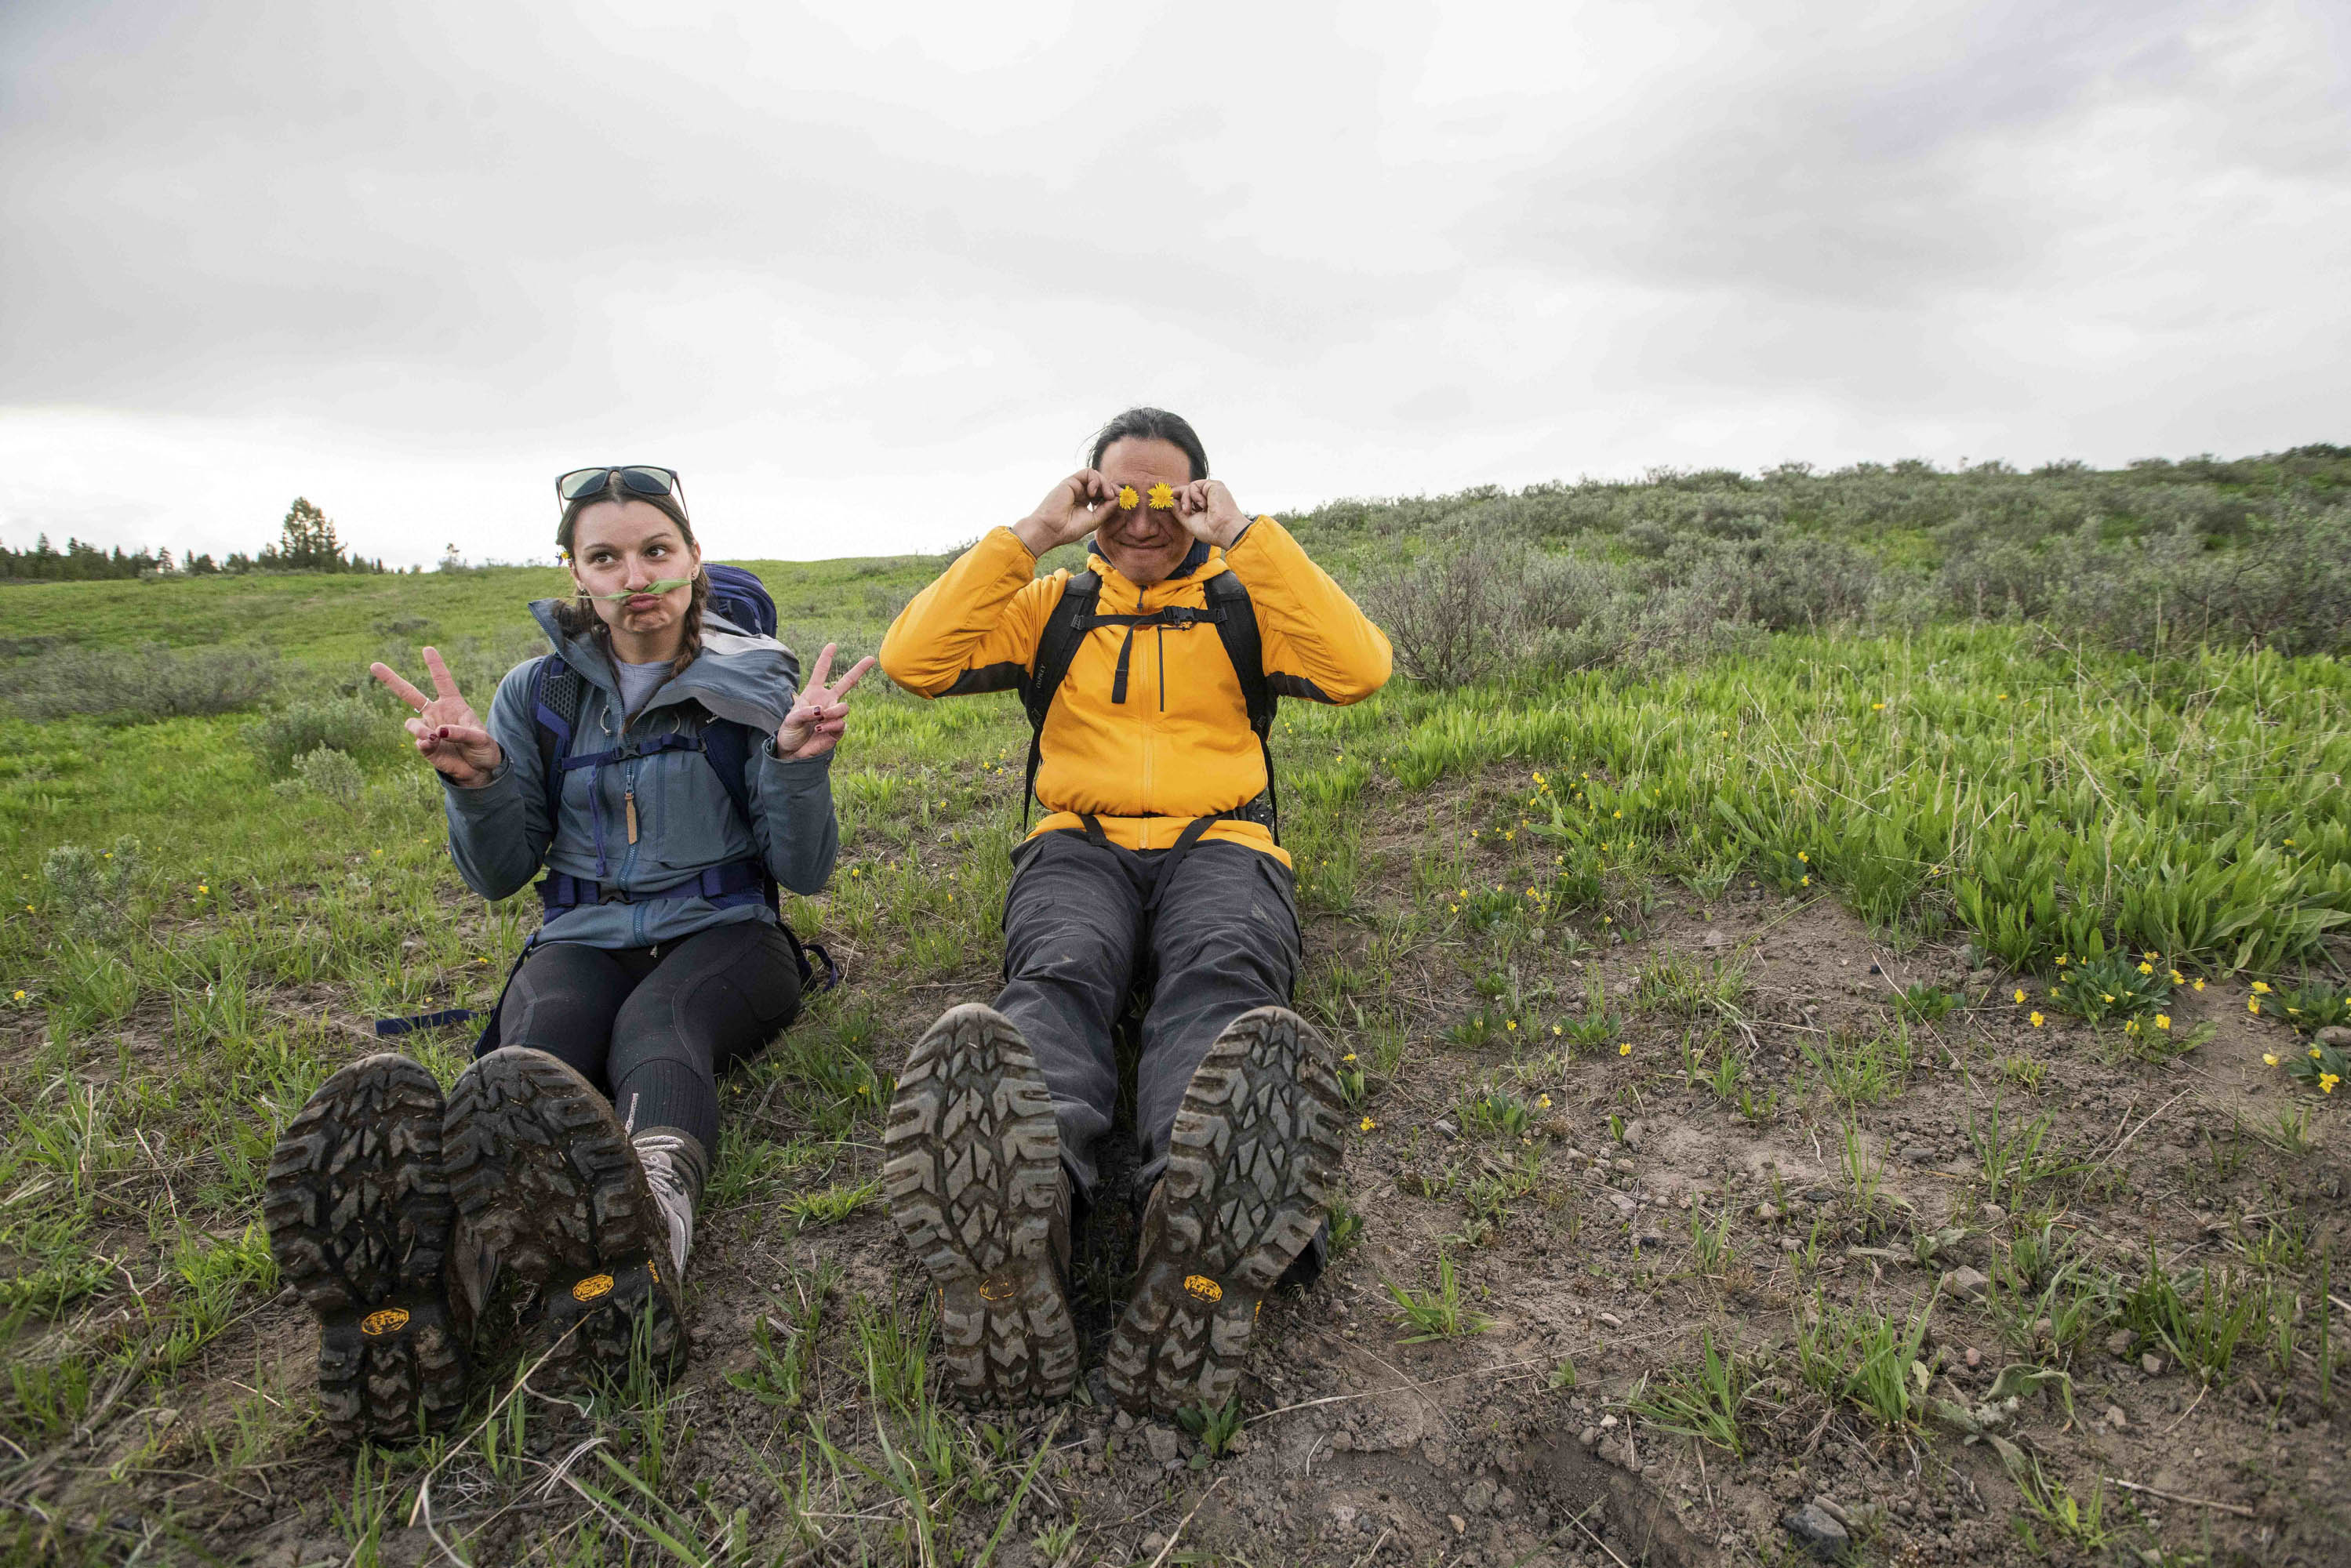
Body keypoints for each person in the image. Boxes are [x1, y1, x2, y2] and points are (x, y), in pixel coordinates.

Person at [263, 464, 872, 1443]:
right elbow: (501, 874)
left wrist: (801, 765)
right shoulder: (535, 693)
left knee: (658, 1028)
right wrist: (477, 783)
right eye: (606, 556)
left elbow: (803, 869)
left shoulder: (759, 682)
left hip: (728, 940)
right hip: (579, 935)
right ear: (575, 573)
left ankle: (651, 1236)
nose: (636, 574)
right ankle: (436, 1282)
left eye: (655, 550)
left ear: (692, 558)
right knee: (531, 1050)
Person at [877, 408, 1391, 1414]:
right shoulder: (1051, 607)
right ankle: (1028, 1218)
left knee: (1223, 968)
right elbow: (912, 660)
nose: (1144, 521)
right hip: (1079, 838)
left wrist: (1246, 537)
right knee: (1058, 971)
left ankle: (1187, 1218)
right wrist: (1029, 535)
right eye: (1118, 495)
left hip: (1222, 838)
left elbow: (1360, 667)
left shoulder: (1246, 603)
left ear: (1201, 500)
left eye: (1171, 499)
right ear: (1088, 495)